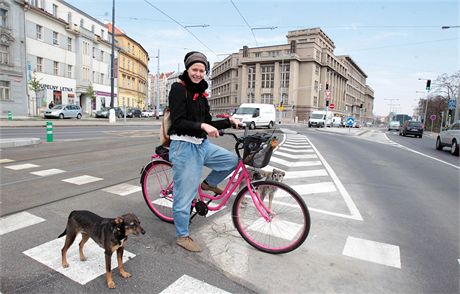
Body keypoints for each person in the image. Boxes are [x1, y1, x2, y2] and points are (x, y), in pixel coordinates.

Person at [168, 51, 241, 252]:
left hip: (202, 145)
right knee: (184, 195)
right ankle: (182, 236)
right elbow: (179, 122)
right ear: (188, 69)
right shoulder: (178, 89)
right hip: (183, 146)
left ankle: (209, 184)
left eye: (202, 70)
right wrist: (202, 126)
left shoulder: (201, 94)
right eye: (194, 69)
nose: (198, 73)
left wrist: (229, 121)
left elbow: (207, 121)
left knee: (232, 161)